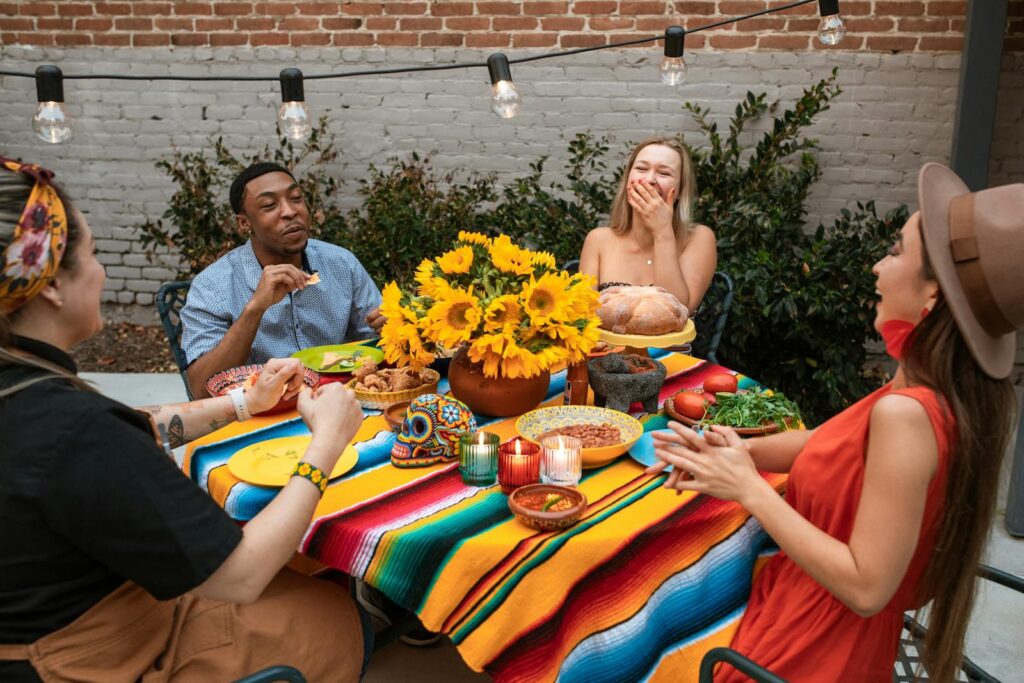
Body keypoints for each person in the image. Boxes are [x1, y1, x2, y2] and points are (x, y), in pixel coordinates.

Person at [0, 158, 372, 682]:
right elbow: (239, 576)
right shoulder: (77, 429)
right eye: (94, 255)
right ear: (53, 286)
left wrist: (243, 404)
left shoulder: (25, 389)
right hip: (95, 656)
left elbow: (138, 421)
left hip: (76, 612)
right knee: (332, 615)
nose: (102, 272)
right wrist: (327, 443)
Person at [649, 163, 1022, 681]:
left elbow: (867, 588)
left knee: (639, 629)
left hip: (810, 649)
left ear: (932, 299)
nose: (877, 266)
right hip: (807, 609)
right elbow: (823, 444)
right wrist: (729, 454)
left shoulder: (906, 415)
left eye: (895, 252)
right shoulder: (930, 387)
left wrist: (748, 489)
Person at [181, 161, 384, 398]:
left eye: (296, 198)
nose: (289, 211)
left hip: (336, 401)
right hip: (259, 417)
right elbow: (201, 390)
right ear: (244, 223)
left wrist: (390, 327)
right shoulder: (213, 286)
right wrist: (255, 309)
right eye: (269, 205)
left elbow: (374, 342)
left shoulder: (341, 264)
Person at [578, 137, 717, 312]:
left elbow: (678, 312)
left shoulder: (699, 238)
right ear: (628, 180)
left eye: (664, 173)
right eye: (641, 169)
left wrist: (663, 232)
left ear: (680, 190)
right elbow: (583, 316)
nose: (649, 179)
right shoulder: (598, 239)